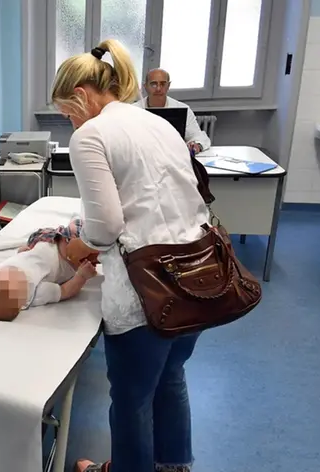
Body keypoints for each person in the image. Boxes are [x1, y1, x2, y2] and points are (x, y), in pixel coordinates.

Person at [51, 40, 210, 472]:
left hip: (149, 289)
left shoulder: (90, 135)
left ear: (82, 96)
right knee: (171, 377)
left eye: (67, 112)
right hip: (198, 274)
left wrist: (74, 247)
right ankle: (173, 466)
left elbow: (105, 228)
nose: (69, 121)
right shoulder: (155, 122)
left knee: (132, 398)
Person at [0, 218, 98, 322]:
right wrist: (82, 276)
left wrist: (22, 252)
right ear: (22, 303)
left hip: (45, 239)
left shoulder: (0, 269)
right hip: (66, 259)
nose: (12, 273)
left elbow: (19, 259)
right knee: (89, 241)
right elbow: (65, 291)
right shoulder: (35, 293)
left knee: (72, 231)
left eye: (4, 275)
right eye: (15, 284)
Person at [142, 68, 212, 155]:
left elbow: (198, 137)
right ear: (145, 86)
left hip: (173, 157)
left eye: (163, 84)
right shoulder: (134, 109)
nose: (158, 88)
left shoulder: (182, 108)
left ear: (168, 86)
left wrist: (197, 145)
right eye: (153, 84)